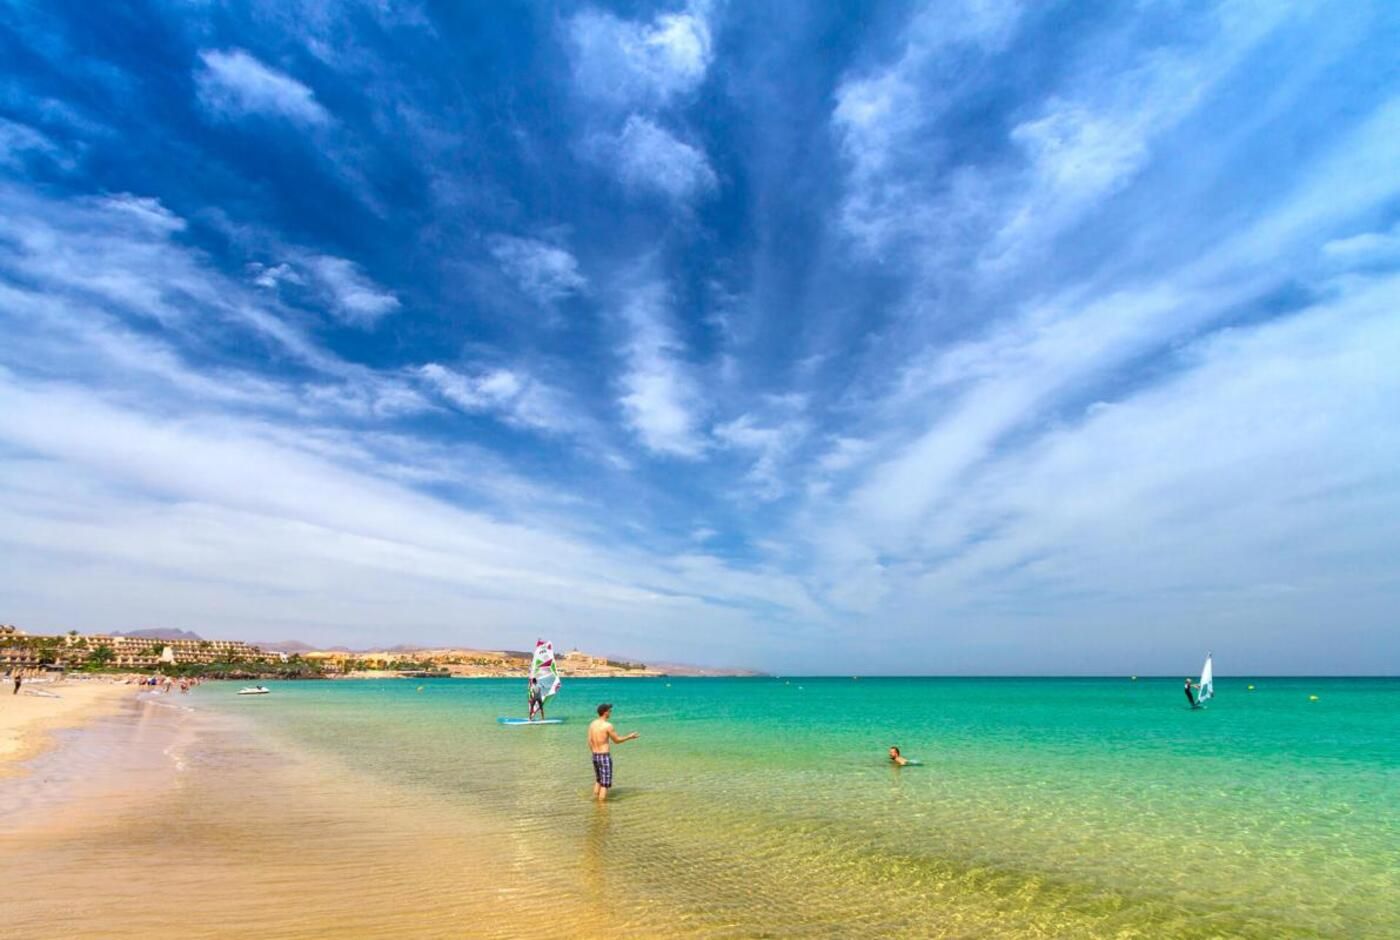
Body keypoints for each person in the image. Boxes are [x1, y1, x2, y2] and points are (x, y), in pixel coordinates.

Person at [587, 703, 638, 802]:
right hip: (604, 756)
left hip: (595, 755)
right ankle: (601, 808)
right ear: (605, 712)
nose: (610, 713)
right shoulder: (608, 726)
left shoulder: (592, 724)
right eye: (610, 711)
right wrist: (629, 737)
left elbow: (589, 740)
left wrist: (593, 751)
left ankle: (594, 800)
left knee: (598, 780)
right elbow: (617, 740)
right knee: (605, 784)